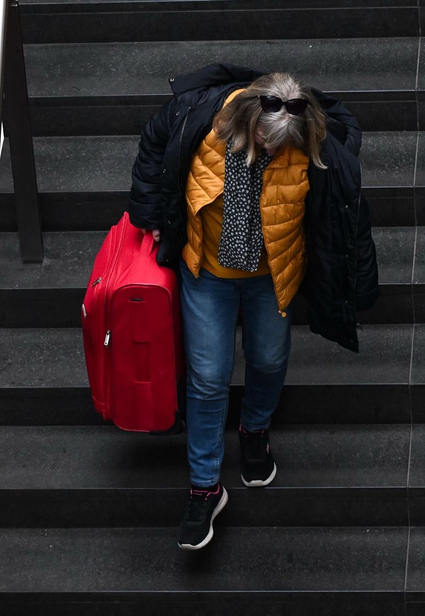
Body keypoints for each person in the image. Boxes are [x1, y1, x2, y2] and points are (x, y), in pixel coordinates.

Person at [128, 64, 379, 550]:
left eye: (279, 145)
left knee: (268, 358)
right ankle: (205, 487)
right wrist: (151, 214)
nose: (269, 150)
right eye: (263, 141)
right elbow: (153, 143)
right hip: (206, 272)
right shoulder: (199, 117)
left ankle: (254, 428)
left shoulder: (310, 144)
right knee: (207, 377)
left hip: (271, 273)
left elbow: (344, 194)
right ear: (244, 118)